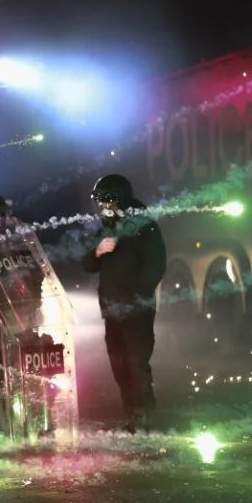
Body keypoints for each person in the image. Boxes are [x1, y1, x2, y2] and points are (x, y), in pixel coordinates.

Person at [80, 175, 166, 433]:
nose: (101, 206)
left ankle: (144, 418)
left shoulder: (143, 224)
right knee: (119, 365)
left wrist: (136, 297)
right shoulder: (105, 225)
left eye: (104, 200)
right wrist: (97, 251)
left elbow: (156, 264)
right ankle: (132, 415)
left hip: (136, 310)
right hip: (112, 310)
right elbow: (87, 264)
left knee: (136, 363)